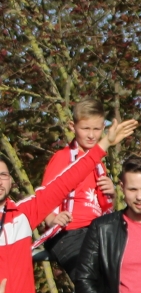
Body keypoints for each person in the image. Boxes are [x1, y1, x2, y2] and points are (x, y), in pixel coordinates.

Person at [2, 117, 138, 293]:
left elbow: (67, 180)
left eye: (3, 175)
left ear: (11, 180)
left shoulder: (23, 214)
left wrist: (104, 144)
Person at [38, 100, 116, 276]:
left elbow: (102, 205)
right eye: (85, 129)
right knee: (88, 279)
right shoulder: (63, 158)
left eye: (96, 129)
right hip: (69, 232)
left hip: (95, 231)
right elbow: (44, 196)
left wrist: (112, 193)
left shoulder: (99, 165)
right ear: (72, 127)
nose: (91, 135)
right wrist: (51, 219)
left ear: (104, 128)